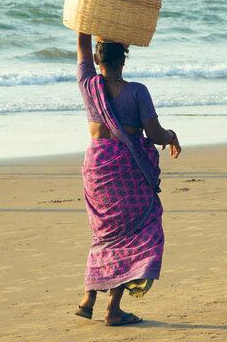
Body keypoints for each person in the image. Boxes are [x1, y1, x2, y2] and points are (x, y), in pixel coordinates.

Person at [73, 32, 181, 326]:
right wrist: (171, 136)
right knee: (133, 233)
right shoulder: (137, 92)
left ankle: (88, 298)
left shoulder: (88, 85)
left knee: (104, 232)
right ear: (125, 59)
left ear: (98, 59)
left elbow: (82, 45)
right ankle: (113, 310)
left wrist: (86, 20)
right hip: (127, 169)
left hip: (97, 166)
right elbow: (155, 135)